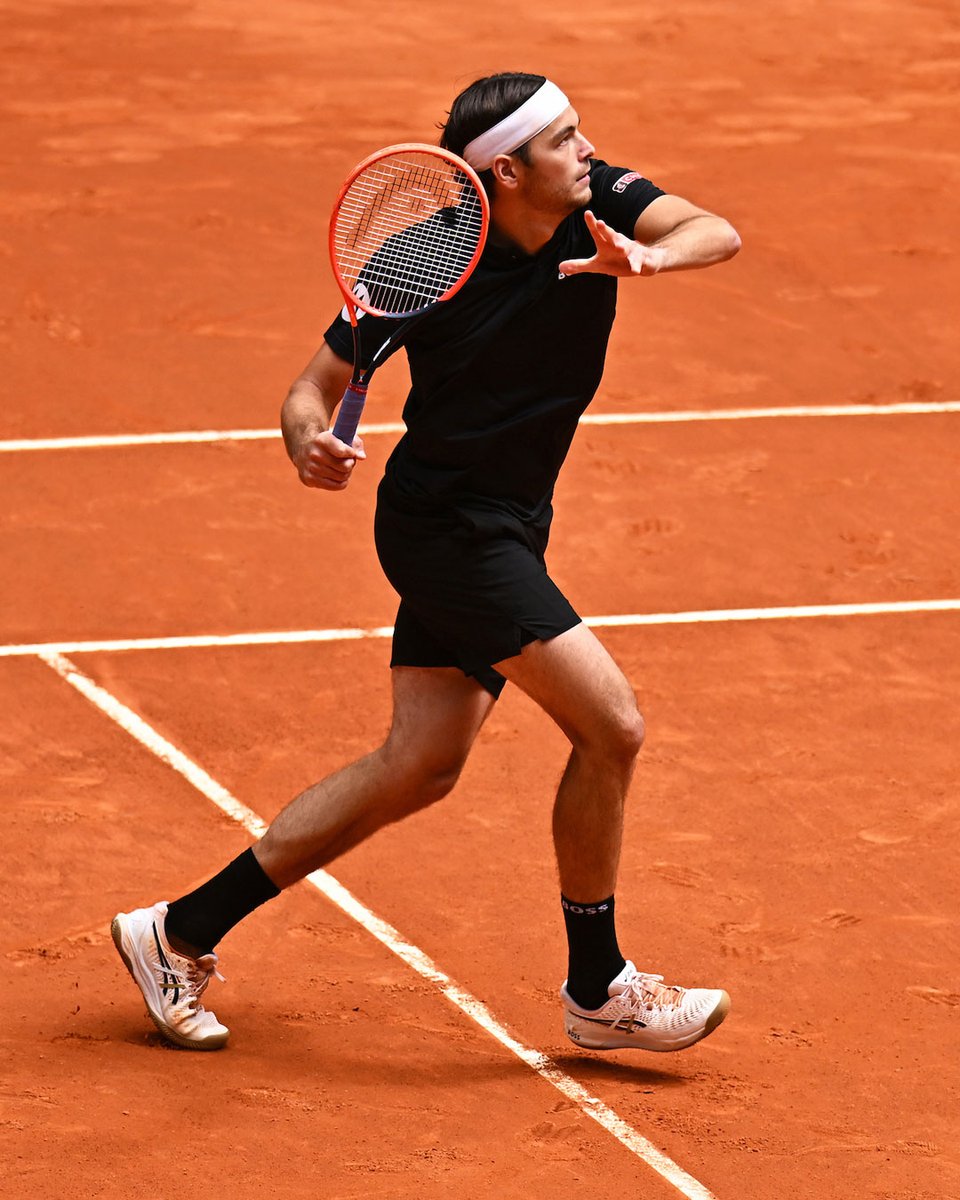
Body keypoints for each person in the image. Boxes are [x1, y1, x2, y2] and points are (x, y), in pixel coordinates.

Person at [112, 72, 741, 1053]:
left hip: (510, 520)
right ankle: (599, 987)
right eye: (565, 139)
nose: (588, 150)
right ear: (506, 170)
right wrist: (308, 443)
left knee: (420, 766)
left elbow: (716, 231)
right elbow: (309, 393)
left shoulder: (598, 203)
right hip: (448, 531)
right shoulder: (422, 264)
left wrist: (645, 263)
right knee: (611, 726)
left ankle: (178, 931)